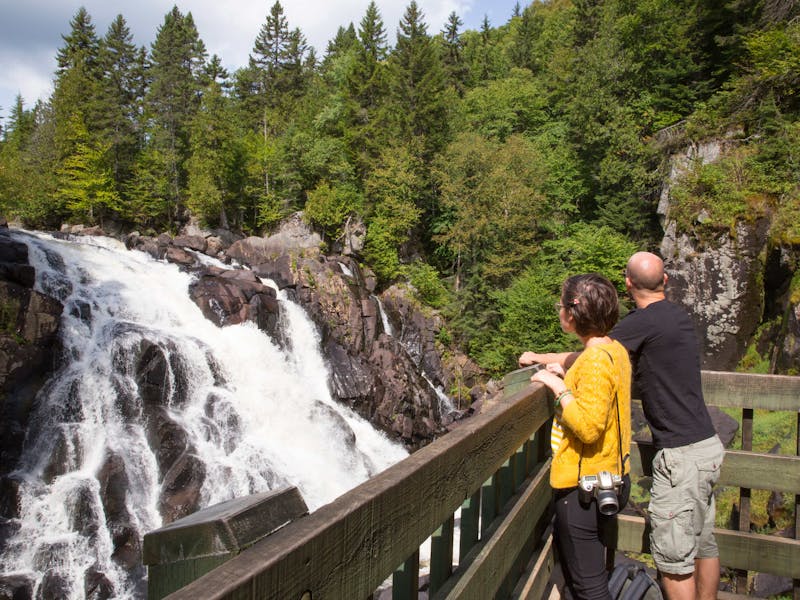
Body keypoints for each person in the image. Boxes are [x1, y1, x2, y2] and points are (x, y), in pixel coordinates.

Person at [520, 252, 724, 600]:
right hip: (707, 447)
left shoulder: (635, 329)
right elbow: (599, 357)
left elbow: (593, 362)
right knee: (704, 546)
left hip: (678, 458)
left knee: (675, 563)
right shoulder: (677, 316)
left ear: (628, 284)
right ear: (666, 281)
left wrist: (550, 375)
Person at [528, 273, 632, 600]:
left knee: (589, 588)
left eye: (561, 306)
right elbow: (594, 389)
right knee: (583, 577)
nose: (559, 311)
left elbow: (588, 426)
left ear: (571, 315)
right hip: (610, 477)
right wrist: (565, 374)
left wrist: (558, 388)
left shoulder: (595, 362)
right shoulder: (614, 351)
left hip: (583, 488)